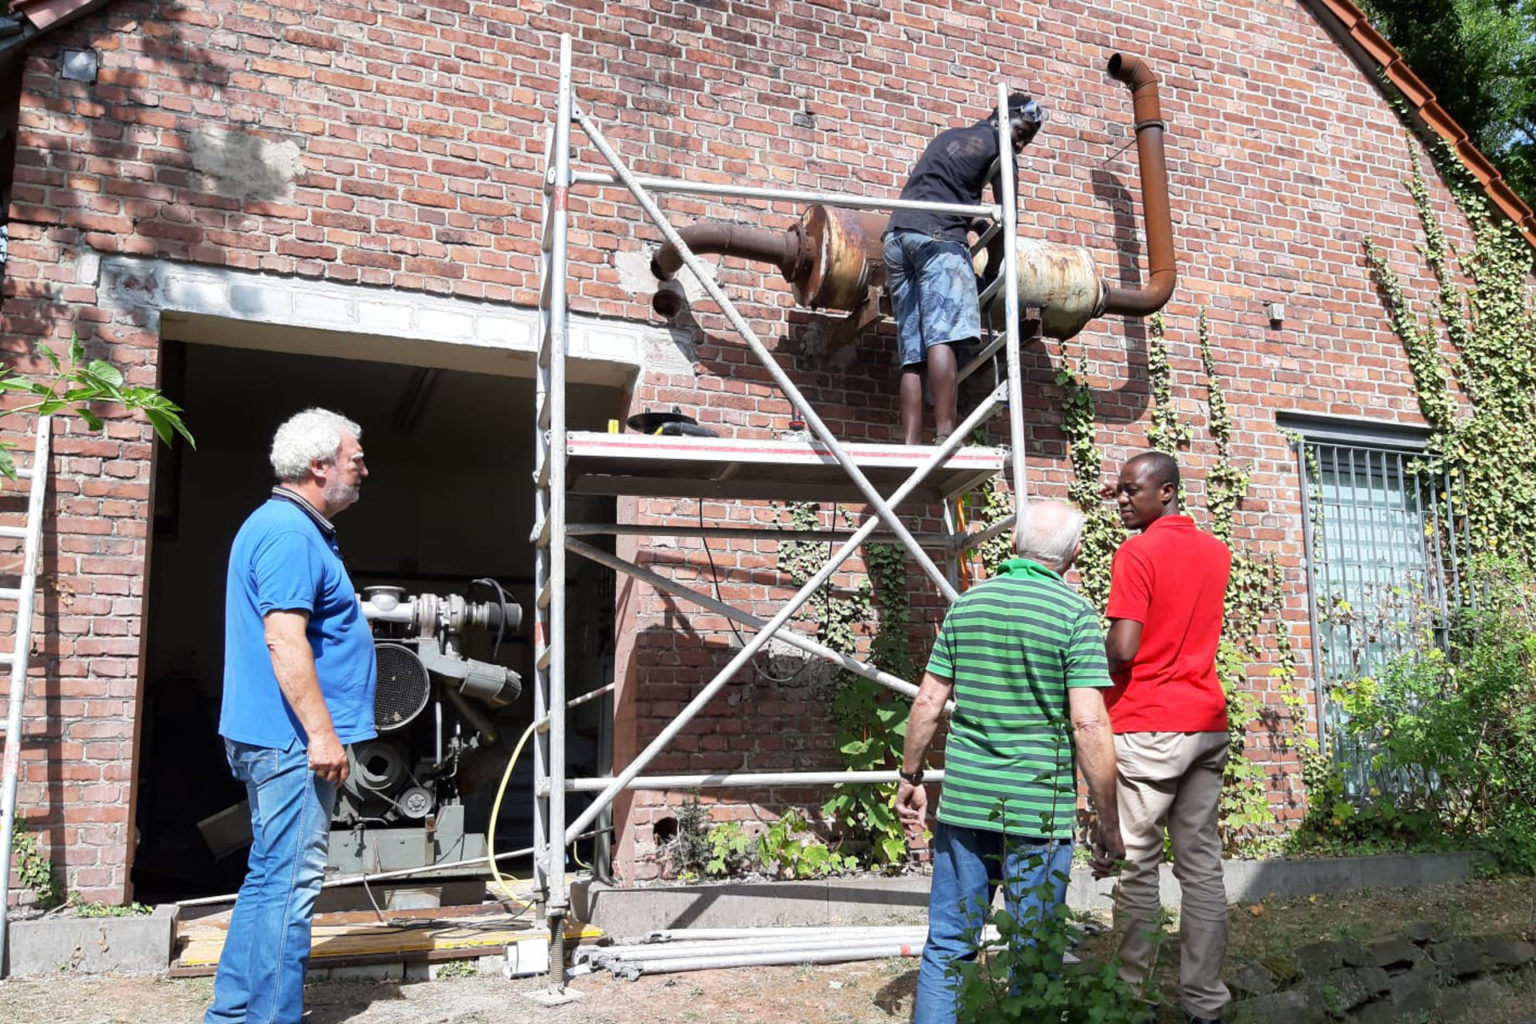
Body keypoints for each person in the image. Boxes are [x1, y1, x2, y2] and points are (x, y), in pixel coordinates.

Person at [896, 500, 1123, 1024]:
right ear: (1074, 554)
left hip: (966, 805)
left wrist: (911, 777)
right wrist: (1109, 821)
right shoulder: (1075, 616)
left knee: (949, 943)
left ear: (1014, 542)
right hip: (1037, 812)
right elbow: (1089, 724)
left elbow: (927, 702)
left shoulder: (968, 606)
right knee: (1034, 951)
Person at [206, 408, 376, 1024]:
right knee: (289, 884)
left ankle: (234, 1012)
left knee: (268, 875)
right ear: (319, 466)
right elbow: (284, 639)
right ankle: (269, 1017)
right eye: (355, 459)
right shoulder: (290, 534)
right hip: (290, 741)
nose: (364, 469)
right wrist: (322, 735)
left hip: (272, 735)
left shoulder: (284, 526)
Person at [1103, 452, 1234, 1024]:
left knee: (1137, 864)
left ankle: (1130, 997)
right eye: (1119, 490)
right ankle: (1206, 1002)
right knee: (1201, 866)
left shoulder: (1137, 552)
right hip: (1205, 722)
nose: (1122, 500)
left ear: (1168, 492)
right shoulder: (1216, 552)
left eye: (1132, 490)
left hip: (1148, 723)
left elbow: (1124, 648)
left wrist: (1094, 647)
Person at [884, 91, 1044, 445]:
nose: (1020, 145)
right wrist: (993, 270)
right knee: (942, 336)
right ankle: (945, 436)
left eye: (1026, 141)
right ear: (1005, 117)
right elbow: (1008, 220)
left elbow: (939, 193)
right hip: (938, 241)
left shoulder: (951, 138)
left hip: (897, 238)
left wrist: (974, 222)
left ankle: (910, 444)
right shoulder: (1000, 145)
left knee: (912, 352)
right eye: (1021, 133)